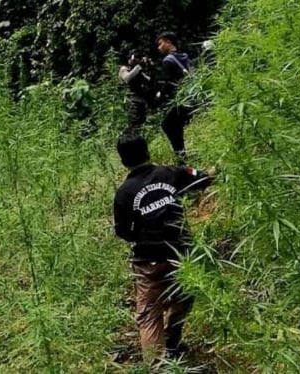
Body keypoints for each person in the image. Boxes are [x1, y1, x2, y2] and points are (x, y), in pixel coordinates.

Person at [113, 133, 215, 361]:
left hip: (149, 261)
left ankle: (158, 364)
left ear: (123, 161)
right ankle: (172, 341)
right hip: (181, 253)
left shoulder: (124, 193)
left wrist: (141, 233)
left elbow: (122, 232)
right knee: (184, 297)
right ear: (148, 151)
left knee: (150, 315)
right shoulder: (170, 173)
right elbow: (203, 178)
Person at [155, 31, 193, 159]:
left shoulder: (168, 61)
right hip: (189, 97)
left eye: (160, 44)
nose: (158, 48)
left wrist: (160, 95)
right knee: (176, 126)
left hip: (178, 100)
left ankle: (181, 155)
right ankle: (181, 154)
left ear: (168, 42)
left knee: (167, 125)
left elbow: (167, 84)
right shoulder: (184, 57)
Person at [118, 51, 153, 134]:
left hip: (141, 99)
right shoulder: (124, 69)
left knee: (142, 122)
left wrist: (149, 67)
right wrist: (138, 67)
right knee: (134, 122)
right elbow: (127, 78)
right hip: (131, 100)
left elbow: (148, 80)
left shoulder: (138, 70)